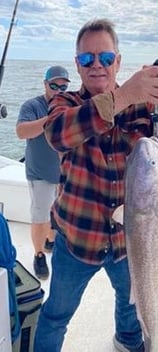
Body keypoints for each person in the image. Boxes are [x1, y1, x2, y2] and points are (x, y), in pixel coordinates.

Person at [34, 19, 158, 352]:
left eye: (105, 57)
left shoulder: (145, 108)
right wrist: (124, 94)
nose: (96, 65)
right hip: (77, 240)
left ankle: (130, 343)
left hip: (130, 243)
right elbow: (57, 134)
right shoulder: (66, 103)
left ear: (118, 61)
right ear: (77, 64)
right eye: (87, 59)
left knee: (131, 310)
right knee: (56, 315)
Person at [16, 66, 70, 280]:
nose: (58, 90)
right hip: (39, 172)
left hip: (64, 173)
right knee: (40, 216)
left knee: (58, 213)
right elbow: (21, 132)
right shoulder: (32, 105)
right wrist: (49, 120)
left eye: (63, 86)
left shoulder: (69, 105)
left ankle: (50, 241)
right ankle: (39, 254)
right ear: (45, 84)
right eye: (54, 85)